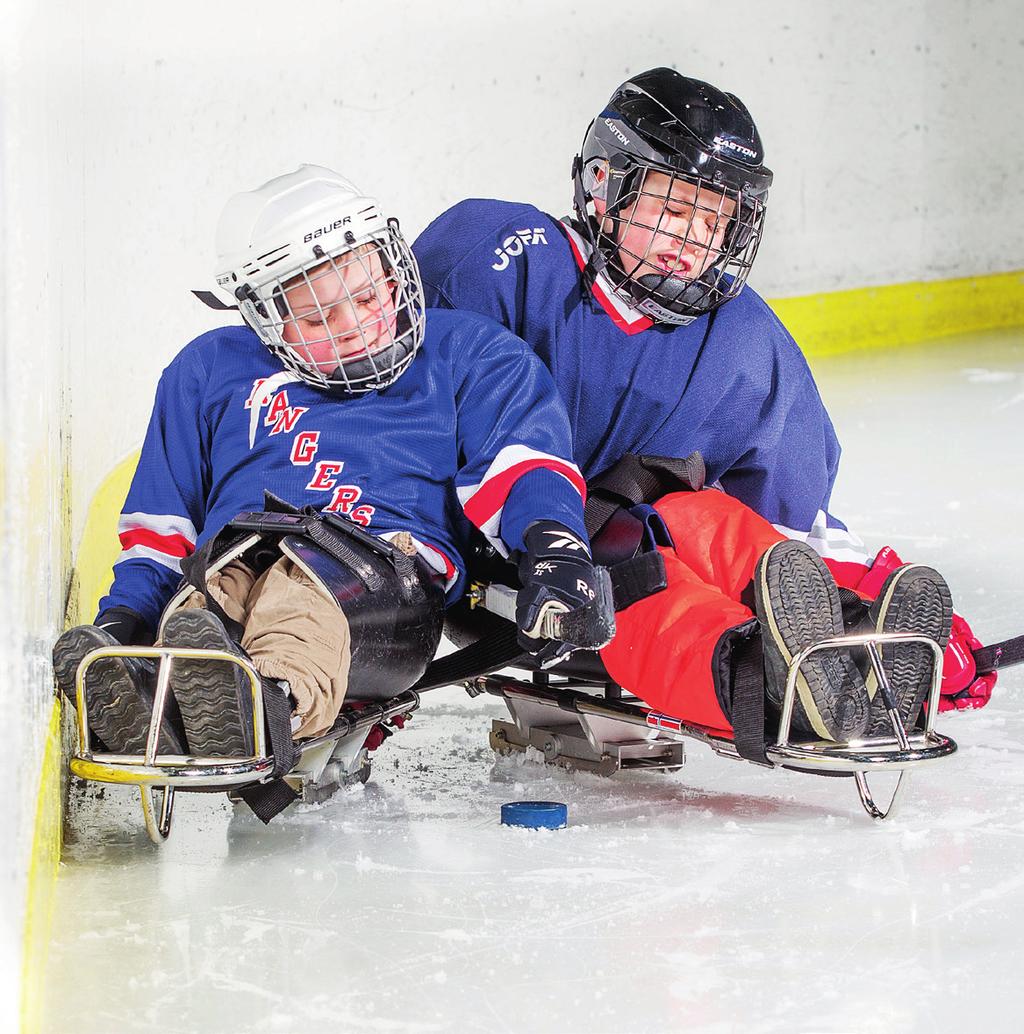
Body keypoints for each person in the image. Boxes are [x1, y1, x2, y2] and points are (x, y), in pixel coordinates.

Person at [413, 67, 992, 743]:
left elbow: (784, 531)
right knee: (635, 566)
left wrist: (852, 582)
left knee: (699, 514)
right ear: (604, 188)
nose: (694, 244)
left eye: (716, 221)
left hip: (633, 526)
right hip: (510, 561)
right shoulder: (502, 256)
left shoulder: (746, 337)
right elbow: (403, 423)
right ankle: (769, 687)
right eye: (676, 211)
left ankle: (864, 633)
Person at [52, 164, 604, 766]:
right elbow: (164, 523)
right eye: (318, 318)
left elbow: (525, 464)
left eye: (368, 296)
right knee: (208, 599)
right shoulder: (207, 368)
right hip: (240, 548)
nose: (356, 327)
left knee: (301, 593)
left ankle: (269, 701)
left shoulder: (467, 351)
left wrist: (557, 551)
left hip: (387, 576)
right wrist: (125, 621)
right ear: (266, 317)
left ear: (394, 276)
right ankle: (157, 699)